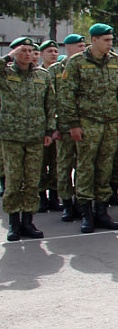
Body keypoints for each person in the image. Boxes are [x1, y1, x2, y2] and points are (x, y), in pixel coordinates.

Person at [59, 23, 118, 233]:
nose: (110, 44)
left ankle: (101, 211)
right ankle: (86, 213)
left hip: (110, 123)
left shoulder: (116, 62)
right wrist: (73, 124)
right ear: (94, 40)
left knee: (105, 167)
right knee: (85, 167)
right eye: (106, 40)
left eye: (111, 40)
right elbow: (67, 95)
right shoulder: (76, 62)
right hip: (87, 123)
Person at [2, 38, 56, 241]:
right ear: (15, 52)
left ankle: (28, 221)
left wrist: (49, 130)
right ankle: (13, 223)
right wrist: (8, 56)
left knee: (33, 180)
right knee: (14, 180)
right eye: (22, 50)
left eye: (30, 50)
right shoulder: (6, 73)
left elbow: (50, 104)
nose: (26, 54)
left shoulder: (42, 75)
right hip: (12, 136)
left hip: (35, 136)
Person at [54, 33, 85, 220]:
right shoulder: (55, 70)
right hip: (63, 127)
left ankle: (81, 202)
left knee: (82, 166)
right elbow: (50, 101)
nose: (82, 48)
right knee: (64, 166)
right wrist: (53, 127)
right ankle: (66, 202)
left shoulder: (84, 67)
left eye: (83, 45)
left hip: (83, 126)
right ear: (68, 48)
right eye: (78, 46)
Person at [36, 40, 61, 213]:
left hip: (56, 125)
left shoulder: (62, 71)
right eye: (49, 51)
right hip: (38, 126)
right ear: (41, 54)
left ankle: (54, 196)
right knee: (39, 164)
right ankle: (41, 197)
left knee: (55, 164)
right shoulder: (38, 74)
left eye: (55, 51)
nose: (53, 54)